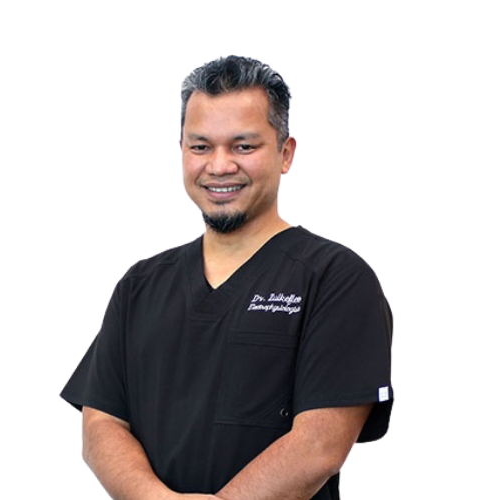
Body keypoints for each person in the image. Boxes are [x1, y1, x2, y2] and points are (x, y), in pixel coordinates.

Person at [62, 55, 393, 500]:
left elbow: (321, 446)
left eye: (243, 147)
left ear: (286, 154)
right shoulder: (140, 285)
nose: (219, 166)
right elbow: (100, 423)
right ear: (181, 152)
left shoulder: (335, 280)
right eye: (201, 147)